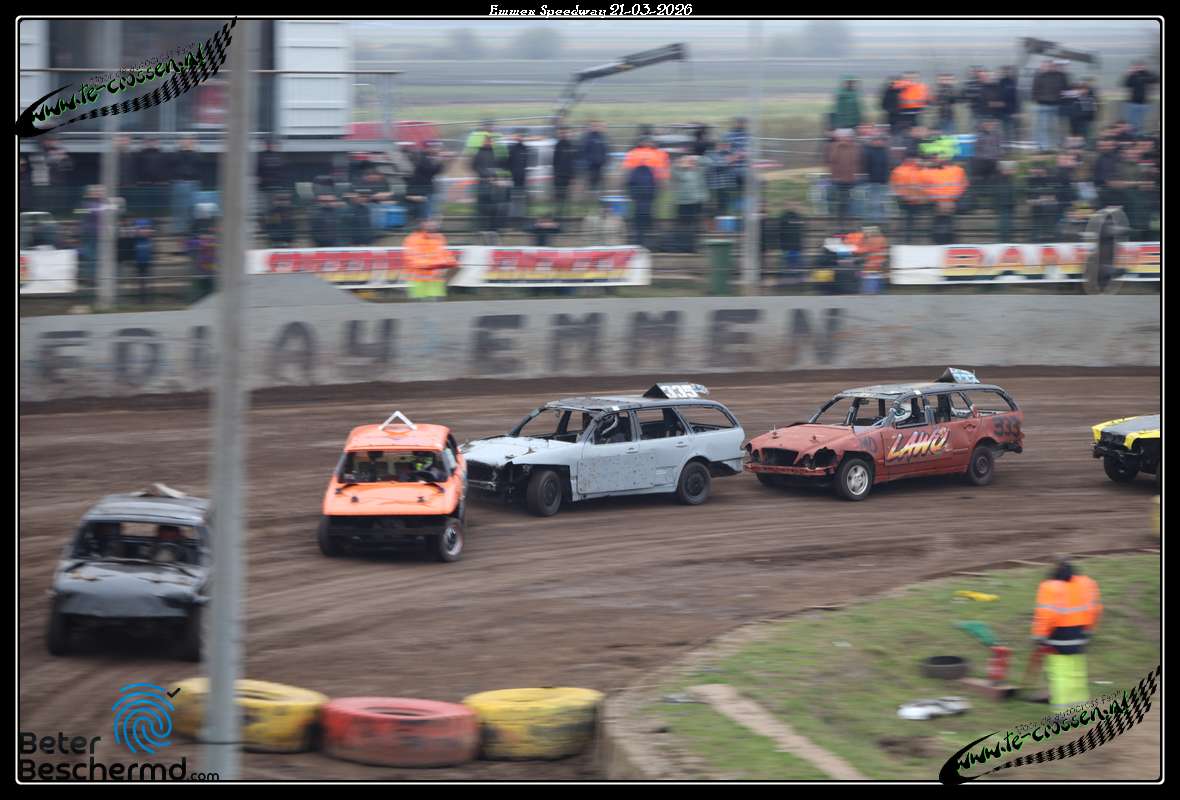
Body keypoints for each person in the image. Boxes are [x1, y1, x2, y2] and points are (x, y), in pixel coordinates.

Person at [1031, 559, 1102, 712]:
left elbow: (1045, 615)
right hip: (1080, 636)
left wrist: (1039, 636)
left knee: (1060, 676)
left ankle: (1062, 713)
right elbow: (1095, 610)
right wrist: (1089, 631)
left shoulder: (1050, 587)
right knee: (1077, 675)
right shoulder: (1085, 585)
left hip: (1058, 638)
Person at [622, 136, 670, 249]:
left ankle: (643, 234)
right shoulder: (658, 154)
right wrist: (663, 182)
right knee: (646, 211)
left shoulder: (634, 153)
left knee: (642, 212)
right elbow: (662, 171)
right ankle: (645, 234)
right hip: (647, 188)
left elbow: (627, 172)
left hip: (645, 188)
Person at [402, 218, 456, 301]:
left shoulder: (440, 238)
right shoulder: (413, 239)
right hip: (418, 281)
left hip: (436, 280)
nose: (432, 224)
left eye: (434, 221)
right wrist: (440, 263)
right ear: (422, 224)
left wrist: (450, 261)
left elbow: (445, 254)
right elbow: (415, 261)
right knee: (417, 306)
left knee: (437, 306)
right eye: (428, 222)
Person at [672, 154, 708, 253]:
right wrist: (679, 164)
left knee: (695, 225)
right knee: (683, 226)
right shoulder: (679, 171)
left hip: (696, 202)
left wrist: (696, 157)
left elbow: (708, 163)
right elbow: (673, 170)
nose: (688, 163)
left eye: (690, 161)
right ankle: (682, 246)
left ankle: (693, 246)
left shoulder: (698, 171)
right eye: (686, 161)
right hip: (683, 203)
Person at [827, 129, 861, 229]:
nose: (846, 138)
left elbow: (857, 162)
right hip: (839, 179)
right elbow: (832, 160)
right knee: (841, 201)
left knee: (850, 201)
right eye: (844, 137)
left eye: (847, 137)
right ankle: (840, 222)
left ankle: (848, 221)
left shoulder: (854, 147)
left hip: (851, 179)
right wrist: (838, 146)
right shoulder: (834, 147)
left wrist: (856, 174)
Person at [1032, 60, 1068, 151]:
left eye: (1051, 66)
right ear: (1042, 67)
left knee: (1058, 127)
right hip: (1043, 105)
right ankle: (1044, 146)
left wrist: (1062, 100)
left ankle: (1059, 145)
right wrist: (1038, 99)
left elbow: (1065, 89)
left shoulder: (1061, 76)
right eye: (1046, 66)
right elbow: (1034, 89)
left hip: (1057, 105)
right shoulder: (1039, 76)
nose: (1049, 67)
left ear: (1054, 66)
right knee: (1043, 127)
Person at [861, 128, 892, 225]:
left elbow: (887, 166)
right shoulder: (868, 151)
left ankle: (880, 221)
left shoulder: (884, 151)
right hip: (872, 181)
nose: (880, 142)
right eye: (877, 140)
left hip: (883, 182)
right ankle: (874, 222)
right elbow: (865, 166)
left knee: (881, 203)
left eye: (881, 140)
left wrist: (887, 179)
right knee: (874, 203)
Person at [1122, 61, 1158, 135]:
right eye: (1136, 67)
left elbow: (1156, 79)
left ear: (1144, 67)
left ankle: (1139, 136)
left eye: (1140, 66)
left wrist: (1146, 71)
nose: (1138, 68)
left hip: (1144, 103)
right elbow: (1126, 84)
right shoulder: (1132, 76)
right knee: (1131, 121)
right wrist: (1129, 74)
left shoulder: (1147, 75)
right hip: (1132, 102)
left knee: (1141, 122)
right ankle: (1131, 136)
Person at [552, 126, 578, 221]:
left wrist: (573, 177)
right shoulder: (557, 146)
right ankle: (557, 217)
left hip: (568, 177)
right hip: (559, 177)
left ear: (568, 134)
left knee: (567, 199)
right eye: (561, 133)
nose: (563, 134)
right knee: (558, 198)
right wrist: (555, 175)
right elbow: (554, 162)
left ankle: (566, 218)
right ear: (559, 134)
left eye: (565, 133)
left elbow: (573, 163)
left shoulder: (571, 146)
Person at [579, 121, 610, 200]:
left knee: (600, 182)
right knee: (590, 182)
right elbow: (583, 150)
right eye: (593, 126)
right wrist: (586, 161)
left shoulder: (602, 137)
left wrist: (605, 160)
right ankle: (589, 199)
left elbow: (605, 150)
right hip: (590, 165)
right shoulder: (587, 138)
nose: (595, 127)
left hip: (600, 165)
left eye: (597, 126)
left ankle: (600, 198)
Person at [131, 218, 154, 305]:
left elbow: (150, 251)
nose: (144, 231)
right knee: (141, 282)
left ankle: (146, 298)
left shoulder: (149, 240)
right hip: (138, 262)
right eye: (142, 229)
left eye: (146, 228)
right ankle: (141, 299)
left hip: (147, 262)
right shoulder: (136, 240)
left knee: (146, 281)